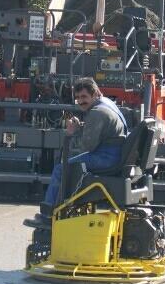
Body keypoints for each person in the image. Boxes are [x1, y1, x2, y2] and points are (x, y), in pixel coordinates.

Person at [25, 77, 127, 228]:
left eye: (84, 97)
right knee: (68, 164)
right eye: (78, 98)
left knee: (62, 169)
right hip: (114, 154)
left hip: (106, 157)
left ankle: (47, 215)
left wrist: (72, 132)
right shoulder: (107, 103)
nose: (80, 101)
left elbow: (88, 147)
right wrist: (84, 127)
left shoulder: (97, 113)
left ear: (95, 94)